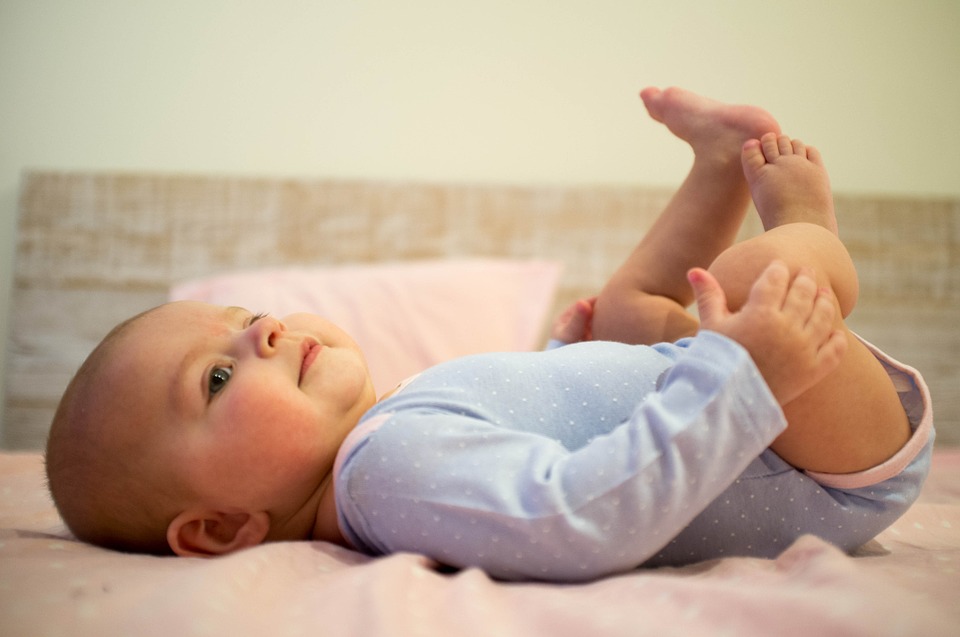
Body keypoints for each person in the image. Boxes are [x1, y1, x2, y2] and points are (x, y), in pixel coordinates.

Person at [45, 87, 932, 582]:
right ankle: (812, 227)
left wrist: (568, 366)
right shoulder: (383, 476)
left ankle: (714, 171)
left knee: (626, 307)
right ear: (219, 529)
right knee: (746, 282)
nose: (264, 332)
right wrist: (742, 374)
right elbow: (578, 514)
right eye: (214, 379)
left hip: (748, 404)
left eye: (244, 320)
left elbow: (530, 451)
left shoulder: (384, 439)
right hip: (816, 457)